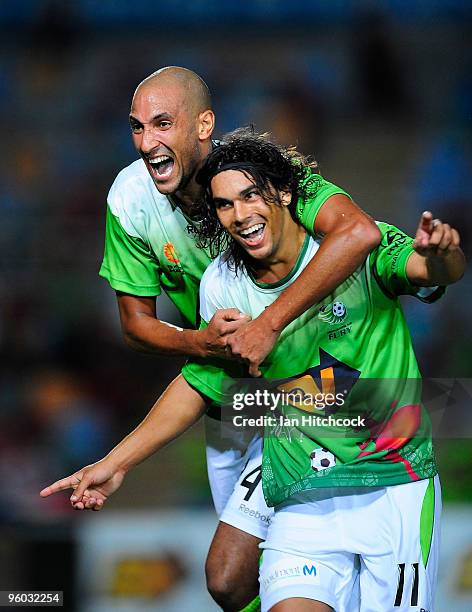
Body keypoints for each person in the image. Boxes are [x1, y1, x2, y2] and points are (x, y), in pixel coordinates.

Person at [41, 130, 464, 611]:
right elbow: (200, 384)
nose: (240, 215)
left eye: (250, 195)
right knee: (229, 580)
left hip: (390, 483)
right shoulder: (223, 284)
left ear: (285, 192)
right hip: (301, 493)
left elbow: (433, 272)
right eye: (224, 205)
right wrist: (114, 464)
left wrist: (442, 253)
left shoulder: (355, 248)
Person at [92, 65, 381, 610]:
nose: (147, 142)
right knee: (230, 583)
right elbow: (136, 324)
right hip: (231, 392)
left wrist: (269, 325)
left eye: (162, 124)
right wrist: (201, 344)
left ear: (204, 125)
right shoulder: (130, 200)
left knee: (231, 571)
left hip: (319, 386)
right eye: (136, 127)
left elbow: (359, 232)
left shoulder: (265, 173)